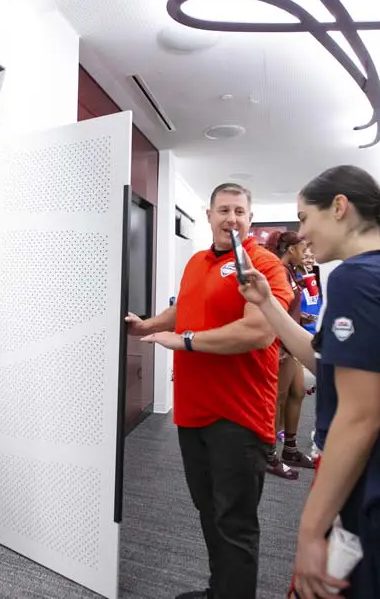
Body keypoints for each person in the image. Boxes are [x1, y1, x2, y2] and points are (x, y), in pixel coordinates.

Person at [238, 165, 380, 599]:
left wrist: (309, 530)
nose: (300, 233)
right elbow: (330, 363)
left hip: (372, 478)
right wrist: (267, 303)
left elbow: (359, 418)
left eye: (304, 218)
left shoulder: (357, 279)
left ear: (339, 207)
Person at [127, 182, 293, 599]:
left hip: (239, 415)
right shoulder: (197, 262)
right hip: (192, 411)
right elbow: (185, 307)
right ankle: (221, 590)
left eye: (239, 211)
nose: (231, 219)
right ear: (209, 215)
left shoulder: (264, 265)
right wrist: (148, 325)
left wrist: (183, 341)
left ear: (250, 219)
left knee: (234, 522)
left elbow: (256, 332)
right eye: (223, 210)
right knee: (208, 512)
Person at [265, 231, 315, 478]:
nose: (305, 253)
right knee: (278, 400)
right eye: (302, 249)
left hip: (292, 344)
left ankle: (290, 449)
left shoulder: (292, 273)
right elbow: (273, 311)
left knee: (297, 392)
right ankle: (269, 455)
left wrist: (301, 317)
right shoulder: (278, 272)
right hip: (280, 345)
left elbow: (288, 308)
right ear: (291, 249)